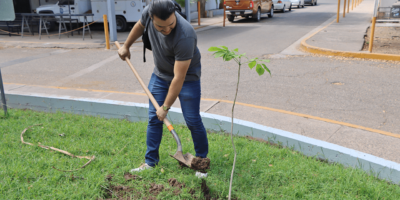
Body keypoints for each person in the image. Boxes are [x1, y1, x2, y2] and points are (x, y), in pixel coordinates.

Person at [118, 0, 209, 174]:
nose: (167, 30)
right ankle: (150, 162)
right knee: (154, 118)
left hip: (187, 79)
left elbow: (178, 78)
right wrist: (126, 46)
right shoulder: (148, 13)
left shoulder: (185, 35)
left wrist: (165, 107)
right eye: (161, 27)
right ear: (151, 18)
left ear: (174, 14)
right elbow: (139, 26)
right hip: (160, 74)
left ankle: (201, 162)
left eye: (170, 25)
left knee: (192, 120)